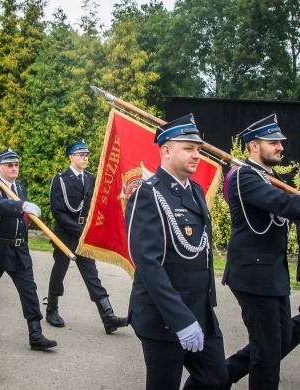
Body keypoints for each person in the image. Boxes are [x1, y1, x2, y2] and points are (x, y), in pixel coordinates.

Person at [125, 114, 227, 390]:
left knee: (216, 377)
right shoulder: (147, 194)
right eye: (189, 148)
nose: (197, 155)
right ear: (166, 151)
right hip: (164, 316)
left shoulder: (194, 190)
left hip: (200, 311)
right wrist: (180, 319)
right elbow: (147, 263)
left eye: (198, 149)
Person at [222, 114, 300, 389]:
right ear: (254, 145)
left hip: (273, 275)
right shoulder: (245, 177)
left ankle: (220, 377)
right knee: (268, 351)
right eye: (274, 142)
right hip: (253, 275)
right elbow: (286, 205)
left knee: (281, 341)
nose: (280, 147)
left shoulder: (270, 177)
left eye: (280, 142)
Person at [0, 147, 57, 351]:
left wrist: (22, 205)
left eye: (16, 165)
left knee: (29, 291)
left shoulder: (19, 187)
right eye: (9, 165)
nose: (14, 168)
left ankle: (35, 334)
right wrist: (20, 206)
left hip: (19, 249)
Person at [45, 139, 128, 334]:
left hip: (85, 236)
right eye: (81, 155)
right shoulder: (61, 179)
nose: (85, 158)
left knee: (92, 274)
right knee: (59, 271)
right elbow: (58, 212)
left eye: (87, 155)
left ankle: (108, 317)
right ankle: (51, 310)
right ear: (71, 157)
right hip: (66, 234)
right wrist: (79, 231)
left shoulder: (90, 178)